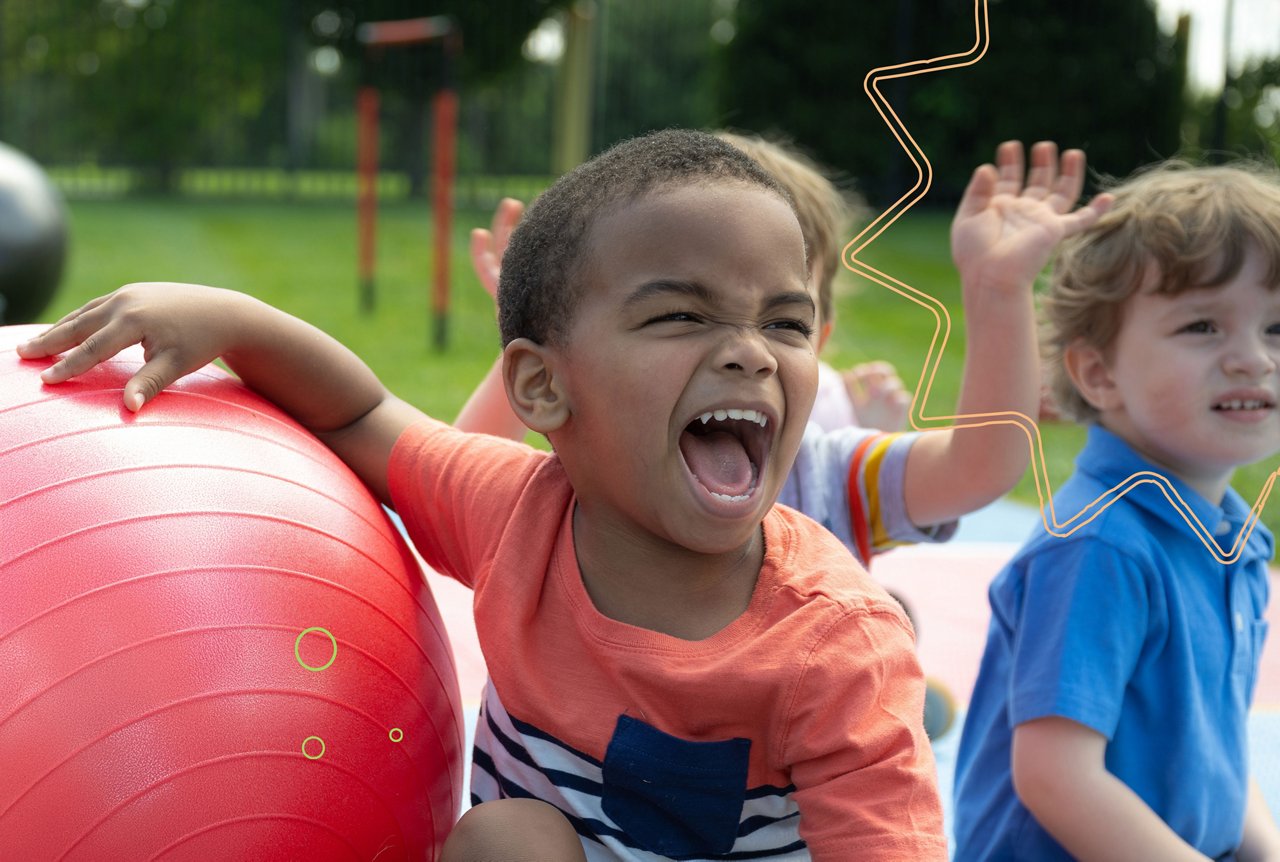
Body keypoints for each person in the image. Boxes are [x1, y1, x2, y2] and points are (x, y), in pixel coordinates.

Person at [17, 129, 1106, 860]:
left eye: (781, 322)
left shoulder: (839, 643)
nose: (747, 354)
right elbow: (359, 416)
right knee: (507, 840)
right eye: (680, 316)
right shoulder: (510, 509)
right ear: (542, 385)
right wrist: (230, 318)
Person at [951, 159, 1280, 861]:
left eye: (1277, 327)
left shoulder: (1234, 542)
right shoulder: (1102, 545)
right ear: (1099, 373)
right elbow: (1056, 776)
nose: (1252, 359)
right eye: (1201, 326)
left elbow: (1218, 748)